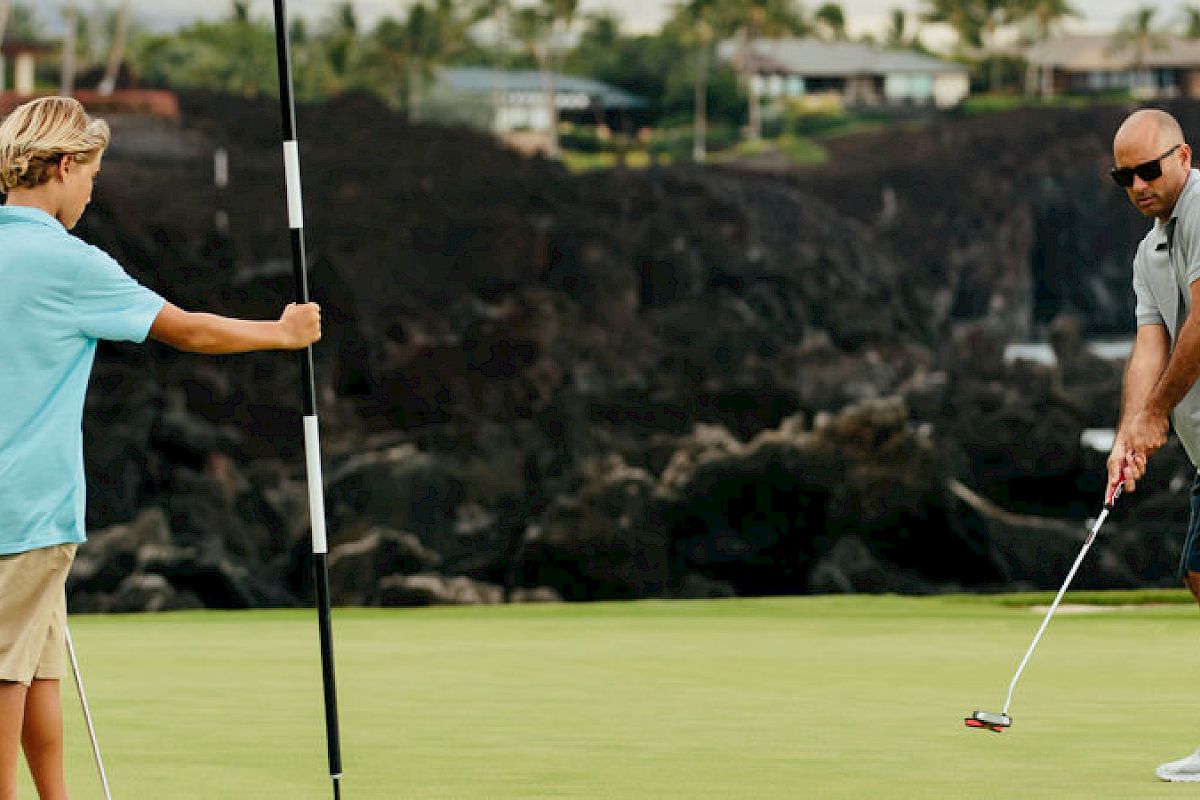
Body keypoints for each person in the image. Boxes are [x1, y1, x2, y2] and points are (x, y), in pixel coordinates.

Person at [0, 96, 321, 799]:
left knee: (37, 670)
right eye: (90, 173)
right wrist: (282, 333)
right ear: (60, 165)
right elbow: (189, 331)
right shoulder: (70, 263)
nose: (91, 190)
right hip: (25, 511)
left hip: (21, 515)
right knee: (7, 677)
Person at [1106, 108, 1200, 782]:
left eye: (1149, 169)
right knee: (1199, 572)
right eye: (1124, 176)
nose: (1138, 184)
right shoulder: (1150, 250)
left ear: (1184, 157)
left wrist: (1158, 411)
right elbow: (1150, 345)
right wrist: (1128, 432)